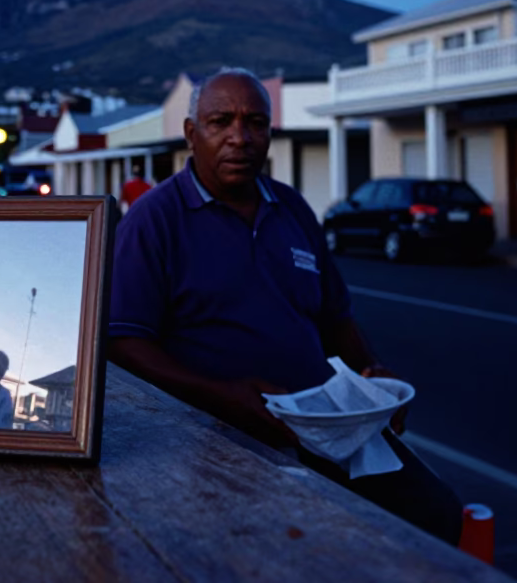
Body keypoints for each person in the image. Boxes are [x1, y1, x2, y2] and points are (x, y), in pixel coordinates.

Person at [109, 67, 462, 544]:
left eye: (255, 122)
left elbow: (336, 317)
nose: (241, 137)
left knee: (435, 517)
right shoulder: (156, 219)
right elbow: (125, 342)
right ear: (192, 133)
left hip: (328, 423)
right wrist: (224, 395)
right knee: (296, 545)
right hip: (216, 434)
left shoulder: (291, 209)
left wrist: (371, 370)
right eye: (221, 122)